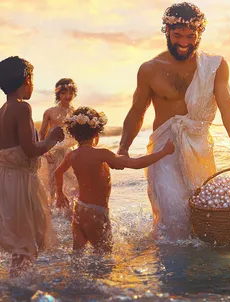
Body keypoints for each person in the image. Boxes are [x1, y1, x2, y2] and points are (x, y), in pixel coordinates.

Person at [117, 2, 230, 240]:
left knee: (201, 215)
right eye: (177, 35)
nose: (184, 42)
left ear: (199, 34)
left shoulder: (215, 66)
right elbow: (136, 111)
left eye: (190, 36)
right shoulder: (149, 69)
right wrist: (123, 149)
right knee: (172, 215)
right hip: (164, 151)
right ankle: (167, 269)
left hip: (199, 148)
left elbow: (228, 109)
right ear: (166, 31)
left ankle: (198, 273)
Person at [55, 106, 175, 253]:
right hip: (97, 213)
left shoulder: (71, 155)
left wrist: (60, 194)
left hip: (79, 210)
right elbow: (136, 164)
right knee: (104, 255)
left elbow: (58, 172)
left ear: (74, 134)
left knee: (77, 256)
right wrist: (164, 152)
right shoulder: (102, 154)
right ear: (96, 133)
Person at [0, 56, 64, 276]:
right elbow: (29, 150)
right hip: (20, 183)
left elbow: (12, 149)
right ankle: (20, 290)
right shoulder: (22, 108)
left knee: (20, 244)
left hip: (6, 180)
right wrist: (53, 139)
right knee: (25, 246)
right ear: (27, 79)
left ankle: (16, 283)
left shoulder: (3, 110)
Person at [39, 78, 78, 205]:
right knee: (52, 182)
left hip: (69, 151)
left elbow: (79, 134)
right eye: (63, 93)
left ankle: (70, 207)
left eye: (70, 92)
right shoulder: (49, 112)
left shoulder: (76, 113)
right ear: (58, 94)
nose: (68, 96)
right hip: (52, 151)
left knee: (72, 180)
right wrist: (44, 151)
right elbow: (42, 133)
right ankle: (51, 210)